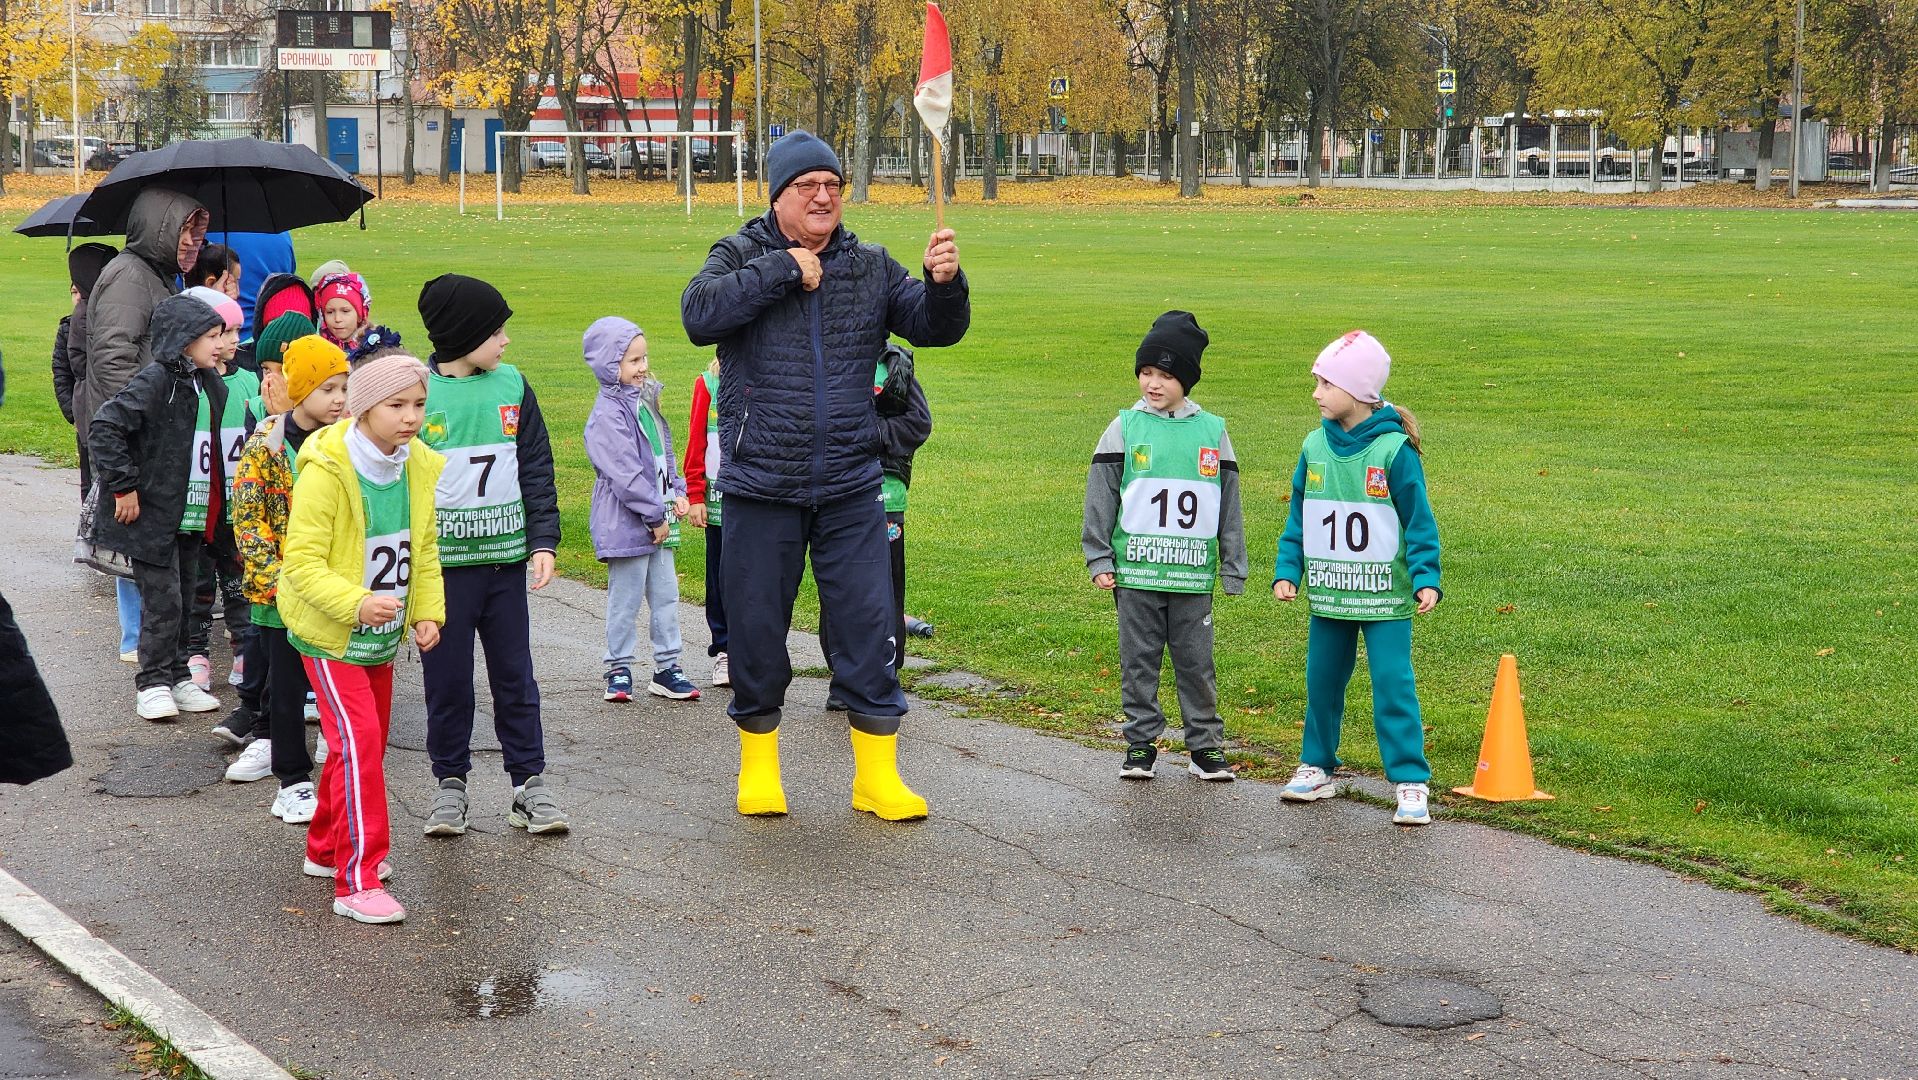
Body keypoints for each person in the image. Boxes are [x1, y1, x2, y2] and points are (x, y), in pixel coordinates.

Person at [680, 130, 967, 821]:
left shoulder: (869, 264)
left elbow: (933, 328)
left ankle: (876, 778)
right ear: (778, 195)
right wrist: (785, 269)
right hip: (761, 488)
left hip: (847, 484)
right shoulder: (741, 253)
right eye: (807, 186)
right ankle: (759, 767)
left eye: (833, 185)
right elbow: (699, 314)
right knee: (755, 632)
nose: (823, 197)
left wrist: (943, 284)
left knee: (869, 631)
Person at [280, 353, 445, 924]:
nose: (410, 417)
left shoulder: (419, 465)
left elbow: (421, 548)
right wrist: (356, 603)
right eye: (396, 405)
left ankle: (326, 849)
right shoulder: (327, 468)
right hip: (331, 635)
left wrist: (426, 612)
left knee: (359, 744)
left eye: (419, 405)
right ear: (363, 408)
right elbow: (300, 564)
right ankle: (358, 879)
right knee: (360, 745)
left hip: (381, 636)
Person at [414, 273, 568, 837]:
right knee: (448, 683)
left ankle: (529, 785)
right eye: (496, 331)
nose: (505, 342)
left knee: (515, 677)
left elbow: (536, 467)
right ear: (462, 334)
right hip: (443, 573)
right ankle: (449, 785)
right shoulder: (418, 395)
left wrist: (543, 540)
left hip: (504, 564)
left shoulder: (513, 386)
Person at [1273, 331, 1442, 826]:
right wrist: (1289, 569)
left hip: (1384, 596)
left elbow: (1419, 521)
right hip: (1329, 594)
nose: (1316, 393)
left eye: (1326, 383)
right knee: (1322, 681)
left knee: (1393, 682)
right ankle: (1317, 766)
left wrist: (1426, 576)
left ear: (1359, 392)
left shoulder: (1393, 451)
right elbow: (1299, 516)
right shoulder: (1312, 445)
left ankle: (1410, 779)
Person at [1082, 311, 1247, 782]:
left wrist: (1233, 564)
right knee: (1139, 660)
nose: (1153, 383)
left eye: (1167, 375)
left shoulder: (1212, 431)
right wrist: (1099, 556)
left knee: (1196, 662)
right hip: (1137, 573)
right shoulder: (1123, 428)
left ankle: (1204, 746)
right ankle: (1140, 742)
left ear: (1187, 379)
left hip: (1192, 575)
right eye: (1146, 371)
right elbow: (1101, 497)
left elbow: (1228, 503)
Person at [86, 292, 230, 721]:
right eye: (211, 336)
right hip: (152, 514)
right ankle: (152, 683)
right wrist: (124, 487)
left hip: (190, 513)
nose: (220, 345)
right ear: (183, 340)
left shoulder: (209, 383)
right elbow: (105, 427)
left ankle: (180, 675)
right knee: (163, 601)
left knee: (187, 597)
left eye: (221, 336)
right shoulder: (157, 382)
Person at [85, 189, 208, 669]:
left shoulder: (159, 275)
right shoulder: (130, 277)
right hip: (142, 439)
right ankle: (144, 650)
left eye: (198, 235)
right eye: (185, 233)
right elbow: (114, 359)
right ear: (160, 229)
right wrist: (142, 425)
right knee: (148, 551)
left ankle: (164, 652)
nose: (193, 244)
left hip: (161, 436)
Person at [229, 335, 349, 818]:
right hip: (281, 591)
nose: (339, 399)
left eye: (344, 388)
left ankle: (337, 759)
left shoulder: (345, 444)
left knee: (333, 682)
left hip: (333, 588)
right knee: (285, 686)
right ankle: (292, 779)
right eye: (328, 389)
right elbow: (250, 519)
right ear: (300, 392)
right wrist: (275, 578)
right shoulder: (268, 444)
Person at [583, 317, 698, 705]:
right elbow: (626, 475)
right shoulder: (608, 415)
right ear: (608, 365)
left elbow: (662, 455)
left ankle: (668, 666)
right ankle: (618, 667)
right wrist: (654, 515)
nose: (642, 366)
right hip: (630, 522)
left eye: (644, 357)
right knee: (625, 599)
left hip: (660, 516)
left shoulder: (645, 400)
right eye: (632, 360)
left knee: (666, 596)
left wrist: (677, 491)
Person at [821, 345, 931, 711]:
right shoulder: (829, 359)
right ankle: (842, 676)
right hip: (835, 494)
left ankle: (886, 674)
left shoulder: (894, 367)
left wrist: (867, 433)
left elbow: (919, 423)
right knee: (839, 590)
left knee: (886, 591)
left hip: (887, 498)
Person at [52, 243, 118, 499]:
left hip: (95, 409)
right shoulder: (74, 323)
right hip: (88, 412)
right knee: (91, 481)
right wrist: (72, 410)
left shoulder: (107, 313)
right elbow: (64, 370)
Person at [681, 357, 728, 687]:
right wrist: (696, 494)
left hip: (756, 501)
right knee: (720, 574)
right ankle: (725, 648)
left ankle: (754, 648)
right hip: (718, 503)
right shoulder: (708, 383)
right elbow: (696, 440)